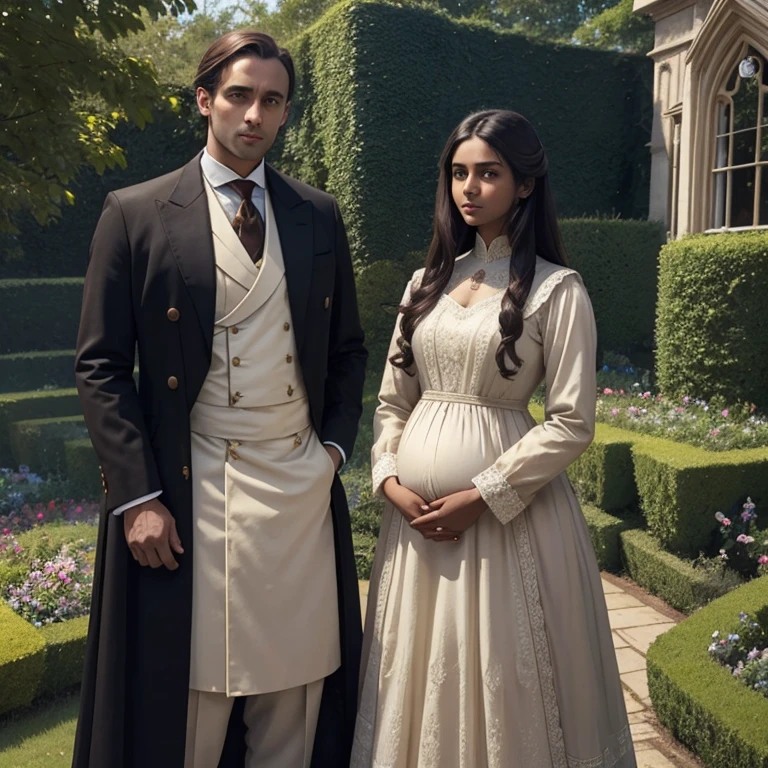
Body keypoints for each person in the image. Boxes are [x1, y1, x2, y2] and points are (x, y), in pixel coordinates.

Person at [72, 30, 366, 768]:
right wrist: (138, 495)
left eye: (272, 100)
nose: (254, 115)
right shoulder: (135, 213)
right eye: (239, 95)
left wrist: (331, 451)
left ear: (285, 112)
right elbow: (102, 364)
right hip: (192, 485)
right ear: (205, 99)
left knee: (294, 701)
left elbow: (348, 350)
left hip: (299, 485)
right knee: (191, 703)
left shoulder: (317, 214)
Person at [351, 110, 636, 767]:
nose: (469, 187)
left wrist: (483, 493)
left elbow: (571, 420)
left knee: (504, 672)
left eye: (488, 172)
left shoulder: (558, 290)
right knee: (418, 672)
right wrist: (388, 481)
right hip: (413, 530)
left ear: (525, 184)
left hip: (511, 527)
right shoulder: (423, 285)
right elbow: (394, 400)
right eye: (459, 173)